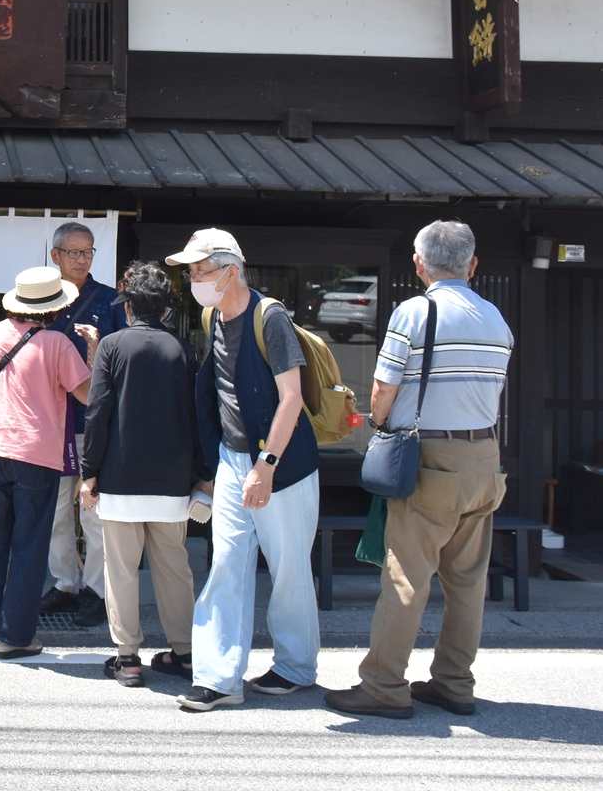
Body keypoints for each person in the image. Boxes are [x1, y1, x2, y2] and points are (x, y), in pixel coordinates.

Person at [327, 222, 514, 719]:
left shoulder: (416, 312)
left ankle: (384, 686)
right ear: (473, 265)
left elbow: (382, 390)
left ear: (418, 264)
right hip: (485, 458)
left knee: (406, 576)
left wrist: (382, 425)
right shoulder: (496, 319)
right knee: (468, 581)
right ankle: (455, 683)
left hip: (430, 459)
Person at [167, 229, 321, 712]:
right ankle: (218, 677)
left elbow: (291, 398)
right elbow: (217, 394)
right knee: (225, 563)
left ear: (230, 270)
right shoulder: (212, 314)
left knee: (289, 566)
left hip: (283, 462)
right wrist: (215, 468)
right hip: (233, 459)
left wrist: (266, 465)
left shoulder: (269, 316)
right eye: (190, 271)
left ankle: (295, 666)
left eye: (200, 270)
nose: (193, 279)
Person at [0, 267, 91, 659]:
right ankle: (13, 636)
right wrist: (98, 350)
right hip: (37, 456)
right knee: (29, 547)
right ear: (54, 308)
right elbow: (89, 395)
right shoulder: (58, 344)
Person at [78, 263, 200, 686]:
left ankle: (128, 657)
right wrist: (201, 475)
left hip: (121, 476)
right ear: (165, 309)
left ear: (128, 306)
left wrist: (89, 472)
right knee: (174, 568)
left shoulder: (112, 346)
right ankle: (185, 653)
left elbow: (98, 414)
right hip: (172, 480)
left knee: (122, 569)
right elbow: (197, 417)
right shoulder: (183, 350)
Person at [40, 220, 129, 628]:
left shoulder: (111, 303)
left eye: (88, 251)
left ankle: (96, 590)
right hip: (49, 424)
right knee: (55, 510)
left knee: (92, 512)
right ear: (54, 255)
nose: (81, 259)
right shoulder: (40, 303)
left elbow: (122, 365)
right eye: (74, 252)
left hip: (93, 423)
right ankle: (65, 582)